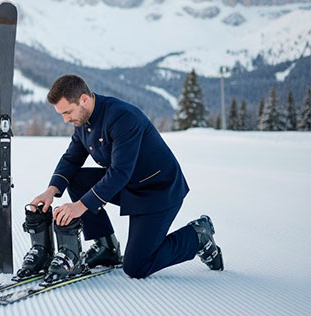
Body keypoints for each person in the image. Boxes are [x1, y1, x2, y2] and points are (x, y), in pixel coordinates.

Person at [26, 74, 223, 280]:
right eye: (62, 115)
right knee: (75, 179)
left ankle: (197, 236)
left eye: (67, 112)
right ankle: (107, 248)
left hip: (158, 192)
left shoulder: (122, 117)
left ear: (83, 99)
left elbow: (119, 173)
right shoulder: (83, 121)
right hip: (128, 186)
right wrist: (51, 191)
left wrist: (80, 206)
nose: (66, 120)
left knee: (136, 266)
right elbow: (71, 159)